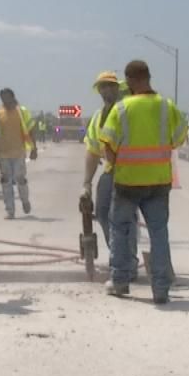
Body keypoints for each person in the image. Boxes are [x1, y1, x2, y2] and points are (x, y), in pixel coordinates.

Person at [100, 60, 186, 304]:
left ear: (129, 81)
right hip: (158, 183)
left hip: (127, 182)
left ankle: (119, 281)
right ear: (149, 77)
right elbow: (179, 139)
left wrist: (117, 165)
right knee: (158, 233)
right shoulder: (166, 106)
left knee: (120, 229)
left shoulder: (122, 108)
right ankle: (160, 289)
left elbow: (107, 145)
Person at [82, 71, 123, 255]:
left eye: (109, 86)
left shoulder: (127, 110)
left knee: (124, 217)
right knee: (102, 213)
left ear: (117, 87)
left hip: (134, 171)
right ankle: (118, 253)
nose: (106, 90)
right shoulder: (98, 117)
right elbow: (92, 152)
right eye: (102, 87)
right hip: (112, 170)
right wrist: (87, 183)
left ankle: (125, 259)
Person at [0, 87, 37, 219]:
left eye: (6, 96)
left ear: (12, 96)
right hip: (3, 154)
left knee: (20, 179)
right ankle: (10, 210)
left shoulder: (22, 112)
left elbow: (31, 130)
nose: (4, 100)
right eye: (2, 97)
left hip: (19, 152)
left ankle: (25, 201)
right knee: (6, 181)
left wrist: (34, 148)